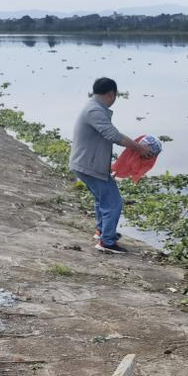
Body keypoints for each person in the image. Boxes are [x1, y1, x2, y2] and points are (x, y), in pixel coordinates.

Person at [69, 77, 153, 254]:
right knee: (113, 203)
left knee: (103, 199)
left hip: (86, 163)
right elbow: (113, 135)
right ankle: (106, 241)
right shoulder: (94, 110)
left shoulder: (93, 107)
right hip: (88, 165)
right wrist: (139, 148)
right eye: (115, 96)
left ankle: (101, 231)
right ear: (111, 94)